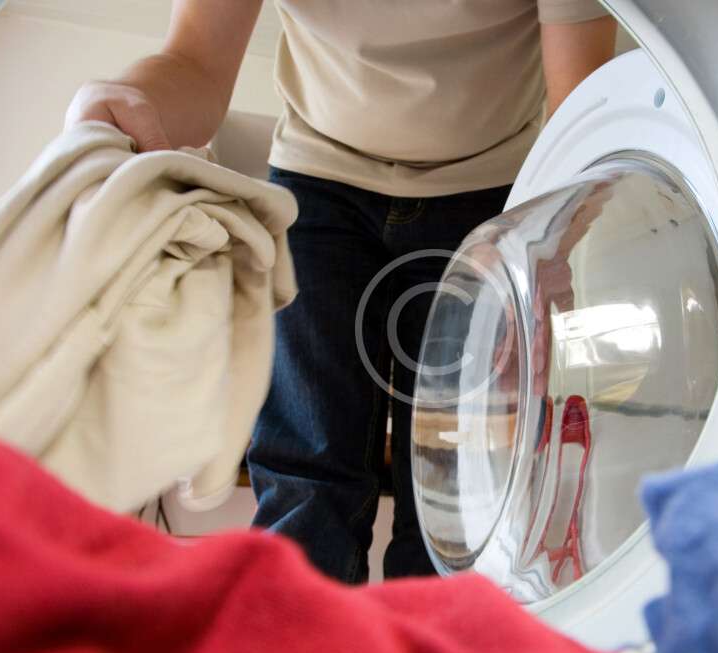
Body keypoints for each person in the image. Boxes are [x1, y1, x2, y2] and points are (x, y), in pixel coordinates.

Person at [66, 0, 616, 584]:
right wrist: (126, 101)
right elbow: (195, 61)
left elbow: (575, 112)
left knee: (457, 489)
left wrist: (546, 242)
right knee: (305, 470)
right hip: (317, 186)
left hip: (487, 199)